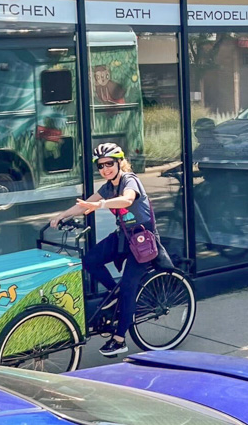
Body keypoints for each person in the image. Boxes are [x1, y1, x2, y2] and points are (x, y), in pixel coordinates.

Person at [50, 142, 173, 357]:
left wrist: (102, 205)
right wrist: (63, 215)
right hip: (124, 237)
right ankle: (112, 293)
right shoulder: (108, 186)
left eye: (109, 164)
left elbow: (127, 199)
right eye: (101, 165)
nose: (105, 169)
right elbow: (85, 204)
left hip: (142, 241)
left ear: (119, 162)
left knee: (128, 288)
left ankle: (119, 339)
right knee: (90, 260)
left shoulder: (129, 180)